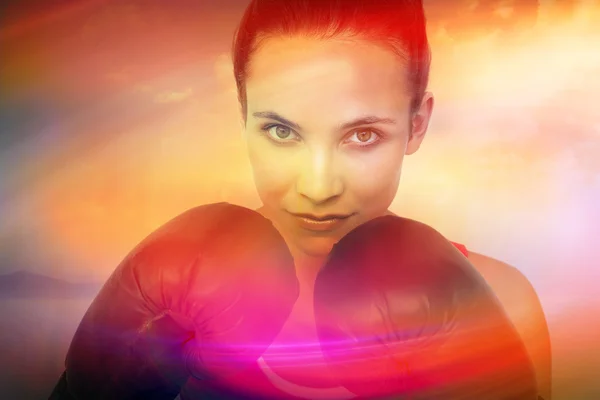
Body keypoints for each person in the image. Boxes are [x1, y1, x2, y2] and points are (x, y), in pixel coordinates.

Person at [223, 0, 551, 399]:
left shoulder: (502, 301)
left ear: (417, 125)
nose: (319, 187)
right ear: (244, 117)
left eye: (362, 135)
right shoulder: (170, 307)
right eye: (280, 131)